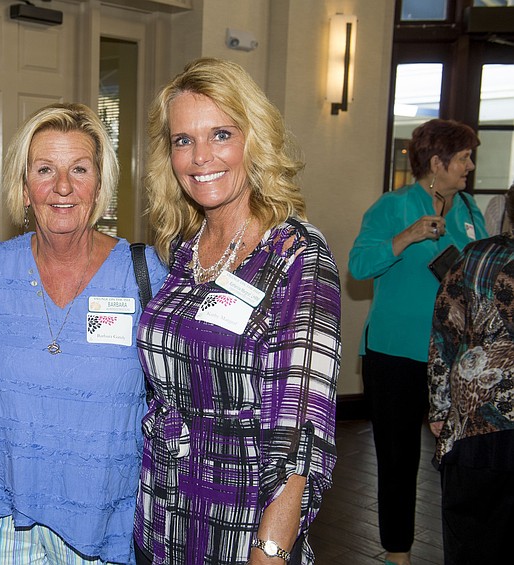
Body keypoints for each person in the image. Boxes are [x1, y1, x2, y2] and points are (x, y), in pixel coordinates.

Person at [0, 103, 167, 565]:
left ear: (99, 187)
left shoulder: (143, 274)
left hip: (103, 522)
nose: (63, 187)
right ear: (24, 188)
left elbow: (178, 393)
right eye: (45, 170)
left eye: (79, 169)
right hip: (1, 520)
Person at [134, 58, 341, 565]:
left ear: (254, 139)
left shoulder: (296, 256)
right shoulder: (185, 247)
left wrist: (269, 552)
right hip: (162, 523)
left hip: (242, 530)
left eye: (220, 134)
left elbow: (301, 438)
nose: (200, 157)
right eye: (183, 140)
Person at [348, 118, 486, 565]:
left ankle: (462, 548)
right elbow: (359, 267)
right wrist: (406, 238)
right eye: (463, 157)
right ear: (436, 162)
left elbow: (485, 273)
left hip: (457, 356)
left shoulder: (469, 210)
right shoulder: (392, 206)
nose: (469, 166)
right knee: (397, 457)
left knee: (461, 457)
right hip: (395, 354)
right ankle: (398, 552)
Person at [428, 184, 514, 565]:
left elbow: (445, 332)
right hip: (485, 417)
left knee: (470, 534)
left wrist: (438, 406)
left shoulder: (479, 255)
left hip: (476, 418)